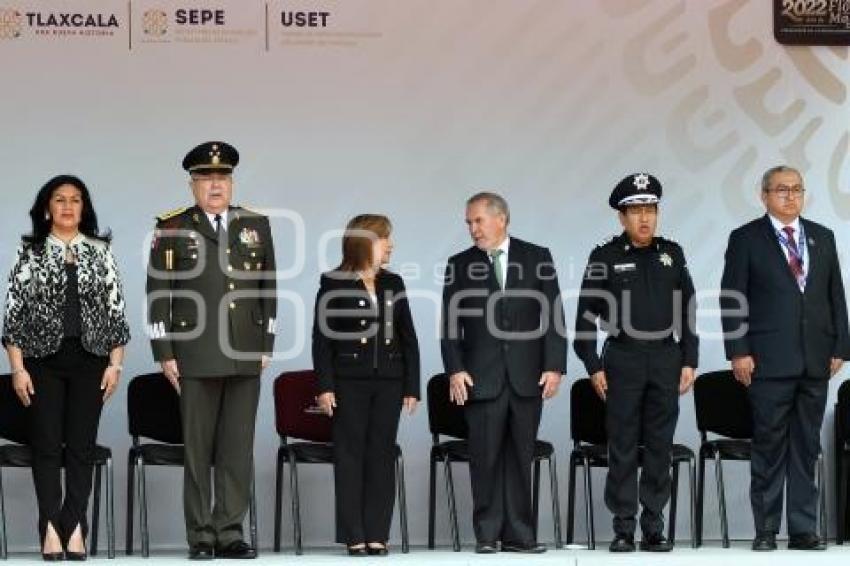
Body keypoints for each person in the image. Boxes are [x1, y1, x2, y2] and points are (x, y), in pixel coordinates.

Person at [145, 141, 277, 560]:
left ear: (232, 182)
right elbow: (157, 295)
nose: (215, 185)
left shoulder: (255, 224)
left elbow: (267, 288)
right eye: (206, 178)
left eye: (222, 177)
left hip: (245, 351)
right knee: (199, 452)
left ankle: (231, 533)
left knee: (237, 450)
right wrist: (164, 352)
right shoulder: (171, 227)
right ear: (192, 185)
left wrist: (266, 343)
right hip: (194, 353)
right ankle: (202, 537)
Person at [720, 165, 850, 551]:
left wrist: (841, 346)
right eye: (781, 190)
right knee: (769, 447)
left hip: (815, 360)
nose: (790, 196)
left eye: (796, 189)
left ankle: (802, 530)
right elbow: (732, 299)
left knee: (806, 448)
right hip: (767, 361)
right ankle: (765, 530)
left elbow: (835, 297)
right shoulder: (746, 239)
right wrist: (738, 351)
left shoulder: (822, 238)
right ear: (764, 196)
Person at [3, 174, 130, 561]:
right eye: (59, 199)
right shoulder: (30, 252)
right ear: (47, 208)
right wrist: (18, 368)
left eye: (76, 199)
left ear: (84, 208)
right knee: (45, 447)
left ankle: (75, 527)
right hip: (42, 363)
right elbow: (13, 316)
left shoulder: (101, 251)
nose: (68, 206)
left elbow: (117, 314)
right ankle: (49, 530)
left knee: (80, 447)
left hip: (91, 362)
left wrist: (116, 365)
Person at [573, 173, 698, 552]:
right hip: (623, 358)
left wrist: (689, 360)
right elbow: (583, 318)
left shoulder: (671, 254)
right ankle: (624, 527)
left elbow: (687, 312)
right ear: (621, 218)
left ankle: (654, 526)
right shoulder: (604, 257)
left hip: (665, 356)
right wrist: (593, 365)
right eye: (635, 211)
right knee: (623, 444)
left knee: (660, 444)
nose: (644, 218)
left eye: (650, 210)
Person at [440, 192, 566, 554]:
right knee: (485, 457)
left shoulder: (537, 257)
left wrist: (554, 365)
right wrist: (455, 369)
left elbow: (554, 316)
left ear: (501, 219)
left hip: (528, 376)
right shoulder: (459, 264)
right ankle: (487, 535)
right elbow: (450, 324)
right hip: (480, 377)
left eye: (477, 220)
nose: (472, 229)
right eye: (469, 223)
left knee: (519, 457)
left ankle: (520, 536)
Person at [312, 214, 420, 556]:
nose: (391, 244)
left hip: (389, 381)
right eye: (385, 238)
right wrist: (325, 386)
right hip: (348, 383)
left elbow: (408, 337)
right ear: (365, 241)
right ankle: (354, 534)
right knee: (350, 456)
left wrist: (411, 386)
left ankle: (377, 533)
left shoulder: (395, 282)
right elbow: (322, 339)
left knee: (381, 456)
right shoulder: (333, 282)